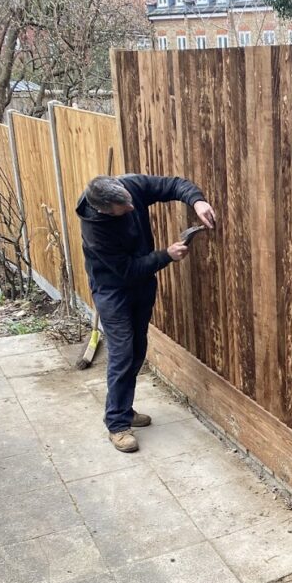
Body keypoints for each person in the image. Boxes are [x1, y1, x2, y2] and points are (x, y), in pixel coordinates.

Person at [76, 174, 215, 453]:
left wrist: (197, 201)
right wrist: (166, 255)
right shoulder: (96, 230)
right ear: (105, 209)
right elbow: (127, 270)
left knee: (138, 348)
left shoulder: (128, 187)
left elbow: (173, 185)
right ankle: (116, 424)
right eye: (123, 208)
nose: (131, 208)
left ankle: (124, 410)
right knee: (122, 352)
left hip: (143, 282)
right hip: (113, 291)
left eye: (130, 202)